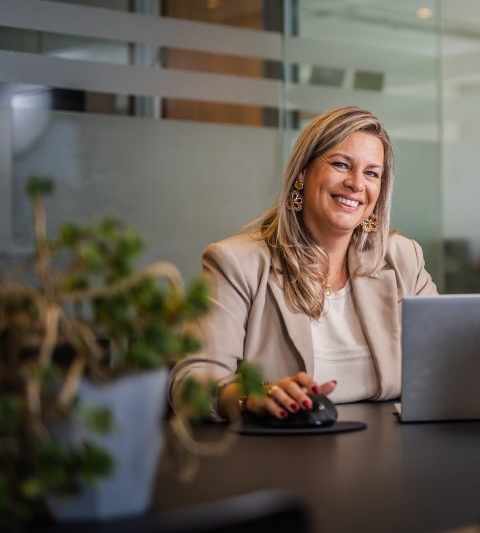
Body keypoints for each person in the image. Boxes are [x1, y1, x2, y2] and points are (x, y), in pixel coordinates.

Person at [169, 107, 437, 420]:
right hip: (280, 453)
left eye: (371, 173)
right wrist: (249, 397)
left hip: (393, 448)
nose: (356, 183)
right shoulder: (236, 263)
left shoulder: (403, 258)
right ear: (302, 174)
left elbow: (446, 360)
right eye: (340, 164)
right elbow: (190, 383)